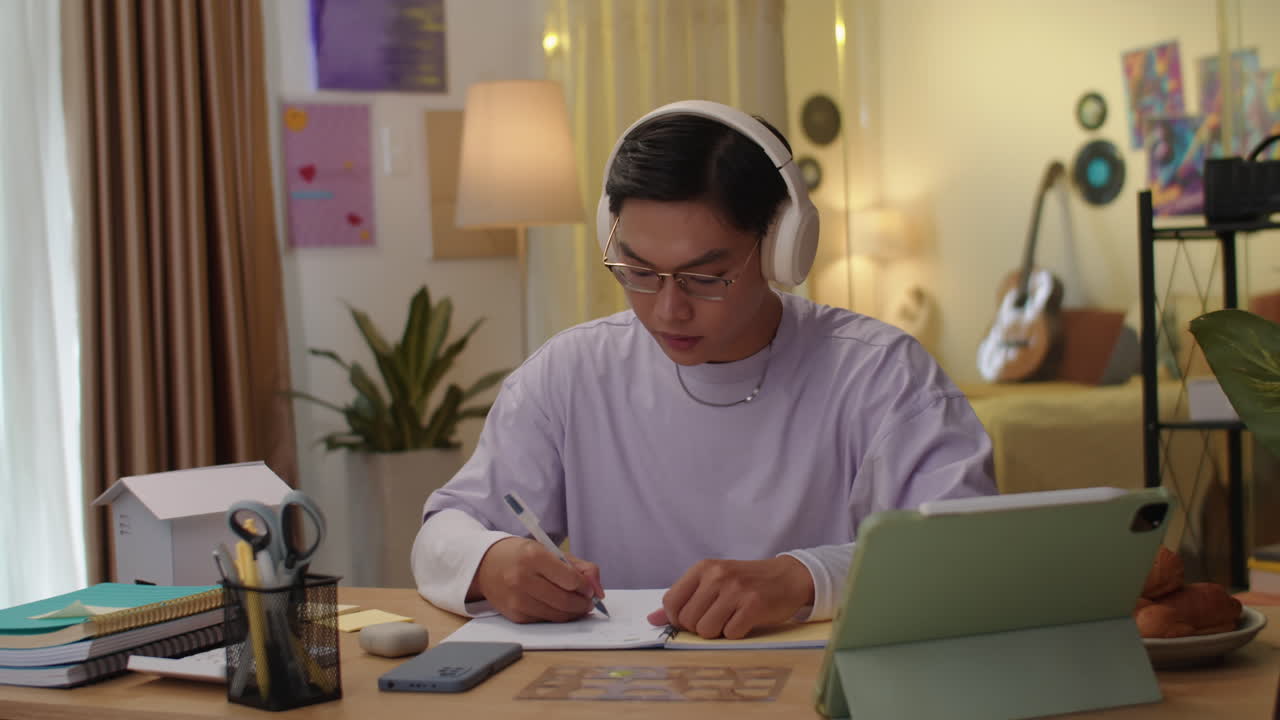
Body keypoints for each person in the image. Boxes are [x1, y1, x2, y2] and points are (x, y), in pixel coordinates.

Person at [411, 99, 995, 640]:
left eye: (706, 277)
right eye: (638, 271)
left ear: (780, 249)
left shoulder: (880, 376)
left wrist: (806, 579)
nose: (668, 310)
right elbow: (446, 529)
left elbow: (969, 553)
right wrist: (489, 563)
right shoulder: (571, 373)